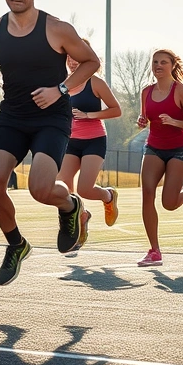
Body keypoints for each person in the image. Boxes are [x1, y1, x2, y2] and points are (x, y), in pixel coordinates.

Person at [0, 0, 101, 286]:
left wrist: (61, 89)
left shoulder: (57, 28)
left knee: (40, 189)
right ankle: (16, 244)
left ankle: (71, 207)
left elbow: (91, 62)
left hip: (51, 118)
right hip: (12, 117)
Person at [135, 49, 183, 267]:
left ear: (172, 66)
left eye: (163, 62)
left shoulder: (180, 91)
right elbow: (145, 118)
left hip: (179, 148)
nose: (158, 65)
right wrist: (142, 121)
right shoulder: (146, 92)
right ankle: (154, 251)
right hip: (154, 146)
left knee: (169, 203)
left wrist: (175, 122)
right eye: (155, 62)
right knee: (147, 194)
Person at [56, 38, 122, 226]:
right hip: (70, 141)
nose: (72, 61)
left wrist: (89, 115)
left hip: (94, 140)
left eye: (75, 56)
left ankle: (108, 196)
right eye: (68, 57)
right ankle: (80, 217)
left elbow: (116, 110)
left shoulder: (95, 82)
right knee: (62, 186)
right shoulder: (61, 85)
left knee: (84, 189)